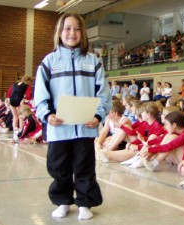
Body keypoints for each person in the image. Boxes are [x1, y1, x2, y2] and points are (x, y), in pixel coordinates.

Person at [34, 13, 112, 220]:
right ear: (60, 33)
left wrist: (98, 115)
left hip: (85, 127)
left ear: (83, 33)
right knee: (58, 167)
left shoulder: (93, 62)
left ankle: (85, 203)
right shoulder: (49, 62)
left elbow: (104, 93)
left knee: (84, 166)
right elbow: (40, 94)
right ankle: (63, 201)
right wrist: (47, 115)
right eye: (67, 28)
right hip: (59, 128)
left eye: (77, 29)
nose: (72, 33)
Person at [7, 75, 33, 141]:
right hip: (19, 101)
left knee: (15, 117)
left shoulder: (14, 84)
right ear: (28, 81)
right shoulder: (27, 86)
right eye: (30, 82)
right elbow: (28, 96)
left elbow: (8, 93)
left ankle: (14, 132)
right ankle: (21, 132)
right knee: (21, 117)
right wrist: (25, 99)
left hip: (12, 100)